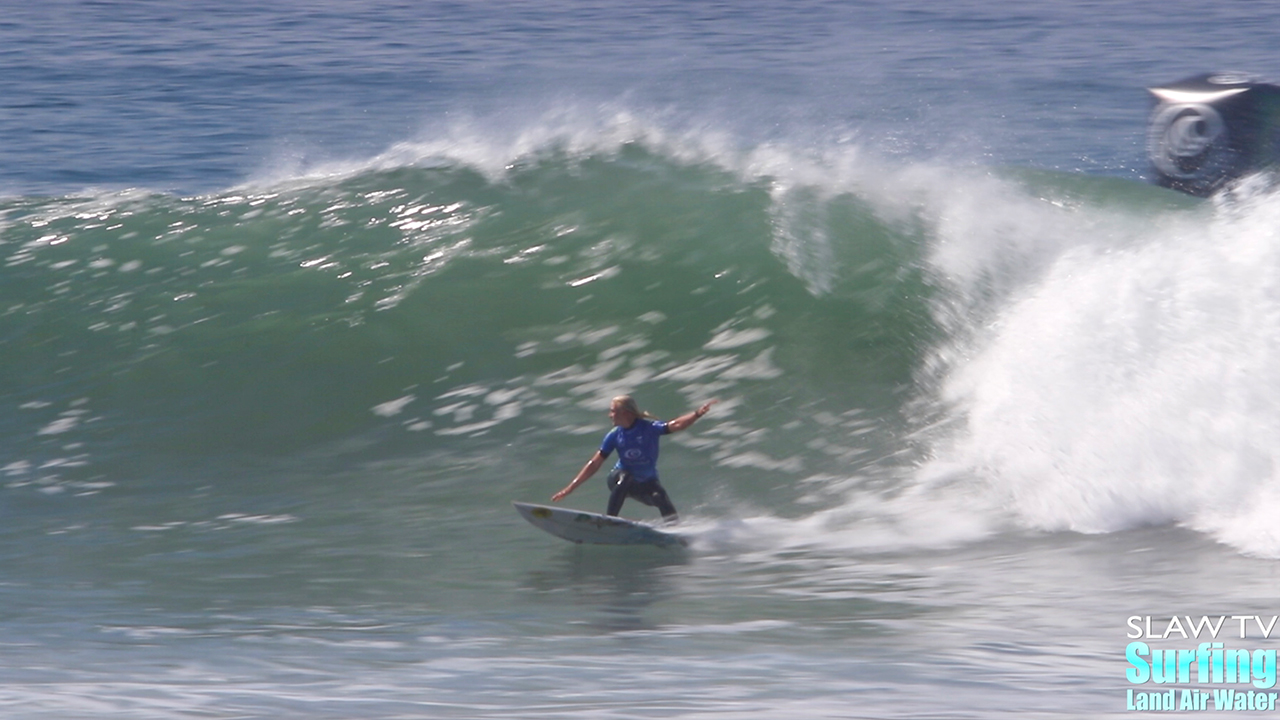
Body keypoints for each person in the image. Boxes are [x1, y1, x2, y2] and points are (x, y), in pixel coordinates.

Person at [552, 395, 719, 524]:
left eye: (613, 411)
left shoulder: (649, 428)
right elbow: (594, 463)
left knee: (661, 497)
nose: (610, 415)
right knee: (626, 477)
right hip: (618, 479)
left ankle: (675, 534)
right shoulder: (615, 435)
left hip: (645, 483)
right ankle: (610, 521)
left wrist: (697, 414)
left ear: (625, 413)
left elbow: (675, 425)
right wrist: (570, 488)